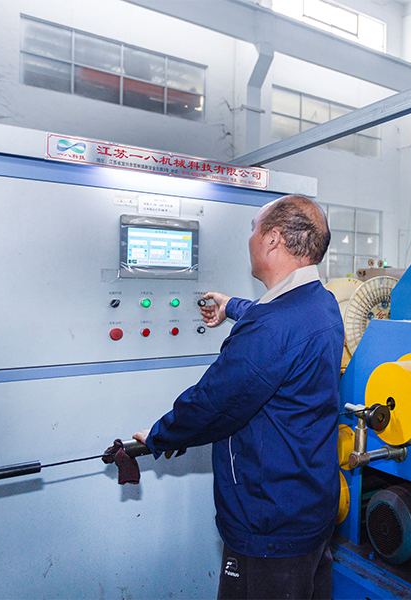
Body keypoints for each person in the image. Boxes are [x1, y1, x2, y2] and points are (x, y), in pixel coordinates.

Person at [134, 195, 344, 600]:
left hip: (269, 523)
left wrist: (160, 436)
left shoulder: (272, 328)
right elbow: (279, 325)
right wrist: (230, 305)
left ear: (273, 239)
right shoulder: (321, 303)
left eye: (253, 229)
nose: (249, 239)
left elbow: (213, 404)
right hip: (310, 507)